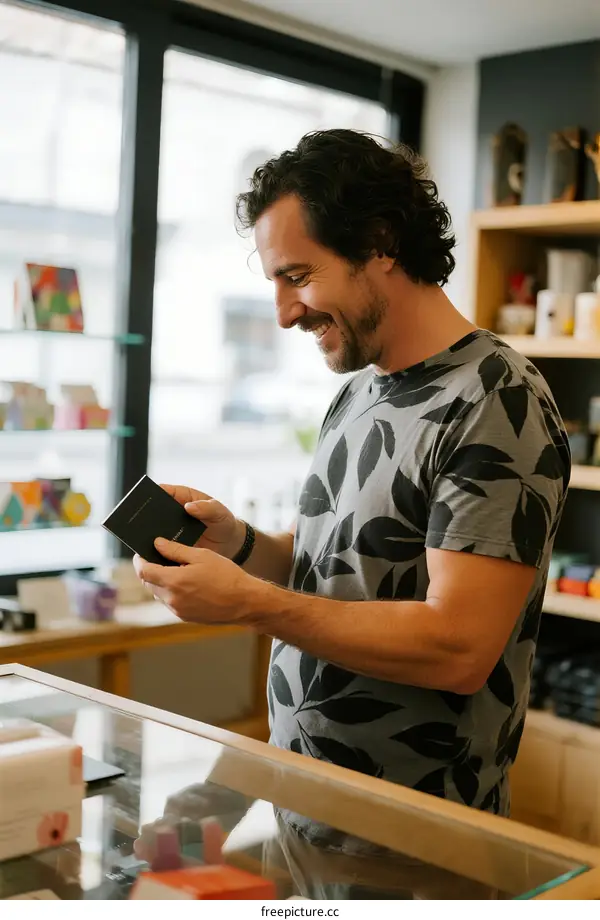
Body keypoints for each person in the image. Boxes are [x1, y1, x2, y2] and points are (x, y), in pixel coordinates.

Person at [134, 130, 570, 891]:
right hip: (307, 816)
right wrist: (241, 545)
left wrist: (248, 603)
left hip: (418, 851)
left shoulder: (496, 400)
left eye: (299, 276)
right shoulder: (360, 391)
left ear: (380, 244)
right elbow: (332, 572)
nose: (283, 313)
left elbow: (458, 647)